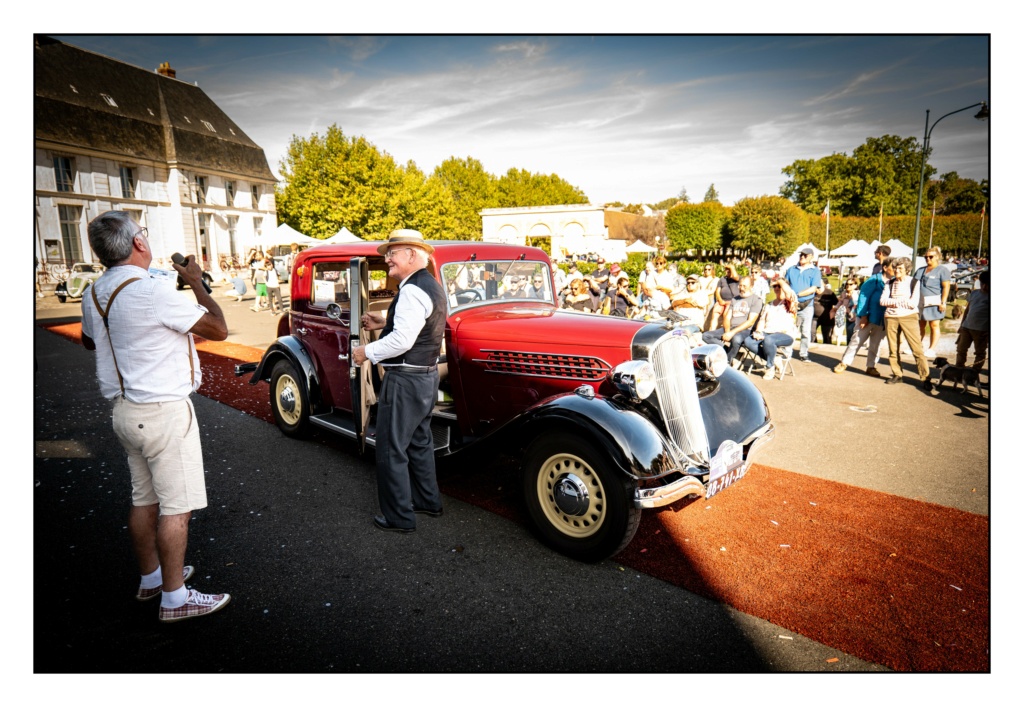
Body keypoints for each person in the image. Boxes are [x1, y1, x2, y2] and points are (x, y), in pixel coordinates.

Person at [79, 211, 231, 622]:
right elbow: (218, 328)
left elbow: (92, 343)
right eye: (143, 233)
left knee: (143, 497)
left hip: (125, 410)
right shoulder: (152, 291)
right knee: (176, 506)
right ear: (139, 244)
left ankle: (151, 578)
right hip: (162, 411)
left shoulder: (93, 291)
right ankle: (175, 597)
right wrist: (196, 281)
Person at [352, 230, 446, 533]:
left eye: (394, 252)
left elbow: (403, 341)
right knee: (419, 442)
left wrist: (365, 351)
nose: (387, 258)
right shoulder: (429, 285)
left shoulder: (411, 290)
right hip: (426, 377)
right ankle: (428, 501)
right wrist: (384, 322)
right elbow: (416, 329)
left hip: (405, 379)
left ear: (413, 255)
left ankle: (398, 517)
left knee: (391, 449)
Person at [879, 256, 934, 393]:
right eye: (895, 268)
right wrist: (900, 301)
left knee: (917, 349)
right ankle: (897, 374)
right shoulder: (889, 283)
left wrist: (893, 301)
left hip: (909, 317)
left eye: (900, 268)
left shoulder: (914, 282)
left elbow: (912, 303)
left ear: (907, 270)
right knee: (893, 349)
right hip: (890, 317)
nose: (897, 270)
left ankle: (925, 377)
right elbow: (882, 301)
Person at [742, 279, 798, 380]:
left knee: (769, 340)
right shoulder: (769, 304)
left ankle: (769, 367)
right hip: (767, 332)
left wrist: (779, 280)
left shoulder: (790, 302)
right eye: (774, 286)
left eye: (779, 286)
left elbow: (789, 293)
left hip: (784, 334)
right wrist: (758, 331)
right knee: (748, 341)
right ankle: (773, 359)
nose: (776, 288)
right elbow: (762, 320)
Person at [702, 276, 762, 365]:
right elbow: (727, 317)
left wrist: (731, 333)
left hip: (745, 330)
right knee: (706, 335)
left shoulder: (756, 300)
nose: (741, 288)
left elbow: (750, 322)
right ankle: (731, 353)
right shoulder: (735, 299)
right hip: (730, 328)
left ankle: (727, 362)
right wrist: (727, 331)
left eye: (744, 286)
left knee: (736, 339)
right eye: (740, 285)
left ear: (751, 286)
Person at [785, 247, 824, 361]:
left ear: (811, 257)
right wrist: (790, 296)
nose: (802, 257)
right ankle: (786, 352)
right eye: (801, 255)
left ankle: (803, 354)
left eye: (805, 255)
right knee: (789, 330)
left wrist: (796, 294)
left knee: (806, 332)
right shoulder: (791, 269)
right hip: (791, 304)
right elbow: (786, 284)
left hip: (807, 305)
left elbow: (813, 288)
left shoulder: (815, 271)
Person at [914, 246, 951, 357]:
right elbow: (913, 285)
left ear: (937, 257)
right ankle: (917, 347)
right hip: (920, 302)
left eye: (931, 257)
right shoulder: (920, 270)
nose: (928, 259)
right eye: (926, 257)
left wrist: (943, 302)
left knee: (934, 325)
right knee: (920, 325)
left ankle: (931, 349)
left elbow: (946, 287)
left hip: (935, 303)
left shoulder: (943, 270)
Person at [955, 269, 989, 371]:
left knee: (979, 352)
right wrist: (961, 325)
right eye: (982, 284)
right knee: (961, 349)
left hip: (982, 330)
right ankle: (959, 369)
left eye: (987, 284)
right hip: (967, 327)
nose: (984, 287)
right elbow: (967, 310)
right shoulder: (974, 293)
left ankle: (974, 373)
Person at [709, 263, 741, 331]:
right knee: (715, 315)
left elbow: (736, 276)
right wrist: (720, 299)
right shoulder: (722, 279)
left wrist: (731, 267)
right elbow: (717, 291)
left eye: (729, 270)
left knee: (726, 315)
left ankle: (724, 331)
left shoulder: (737, 278)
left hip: (732, 301)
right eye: (726, 270)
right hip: (721, 300)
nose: (728, 271)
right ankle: (711, 331)